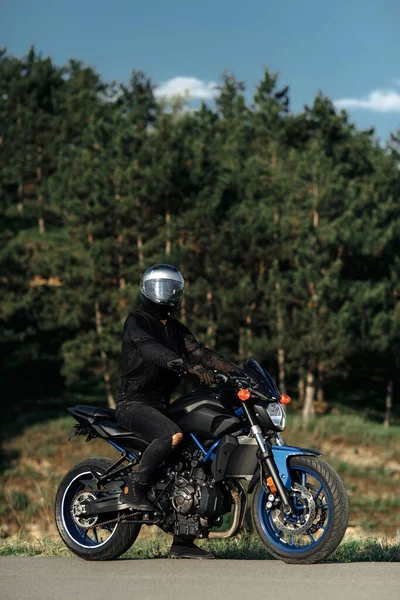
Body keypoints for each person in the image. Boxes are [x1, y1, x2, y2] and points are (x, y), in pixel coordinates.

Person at [115, 264, 238, 559]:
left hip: (161, 406)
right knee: (171, 434)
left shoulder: (176, 329)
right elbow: (149, 350)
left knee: (196, 459)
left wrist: (237, 372)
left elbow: (203, 353)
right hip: (133, 404)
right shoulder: (137, 321)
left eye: (170, 288)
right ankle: (134, 487)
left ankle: (182, 543)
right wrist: (183, 365)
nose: (164, 294)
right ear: (146, 290)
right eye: (159, 287)